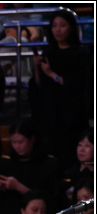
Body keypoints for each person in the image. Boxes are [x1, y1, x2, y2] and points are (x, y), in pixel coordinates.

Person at [29, 9, 93, 169]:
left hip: (72, 113)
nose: (58, 30)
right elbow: (38, 86)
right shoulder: (48, 52)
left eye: (62, 25)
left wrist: (52, 74)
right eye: (54, 26)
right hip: (50, 113)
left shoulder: (80, 54)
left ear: (71, 28)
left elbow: (79, 84)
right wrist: (37, 67)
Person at [0, 119, 61, 214]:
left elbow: (51, 198)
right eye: (13, 142)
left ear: (32, 139)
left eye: (20, 142)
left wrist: (18, 187)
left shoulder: (48, 163)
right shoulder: (5, 161)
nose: (17, 146)